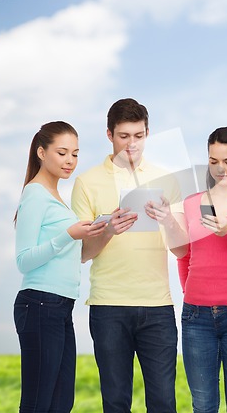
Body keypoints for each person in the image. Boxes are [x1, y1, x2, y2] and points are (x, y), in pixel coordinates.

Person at [146, 126, 227, 412]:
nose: (220, 169)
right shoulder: (192, 203)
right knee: (202, 404)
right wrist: (167, 221)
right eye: (213, 161)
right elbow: (182, 254)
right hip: (196, 316)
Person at [70, 98, 181, 412]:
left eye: (139, 136)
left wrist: (168, 220)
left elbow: (182, 248)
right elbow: (80, 254)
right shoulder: (87, 182)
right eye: (124, 136)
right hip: (108, 307)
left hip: (158, 306)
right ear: (109, 134)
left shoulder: (167, 179)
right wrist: (108, 230)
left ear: (148, 133)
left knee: (163, 402)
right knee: (116, 402)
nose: (132, 144)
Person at [14, 121, 106, 412]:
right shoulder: (35, 194)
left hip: (60, 306)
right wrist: (69, 234)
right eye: (63, 153)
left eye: (75, 154)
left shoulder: (57, 199)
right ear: (41, 152)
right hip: (39, 304)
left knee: (61, 402)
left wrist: (106, 229)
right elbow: (24, 259)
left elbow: (76, 255)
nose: (70, 161)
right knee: (38, 402)